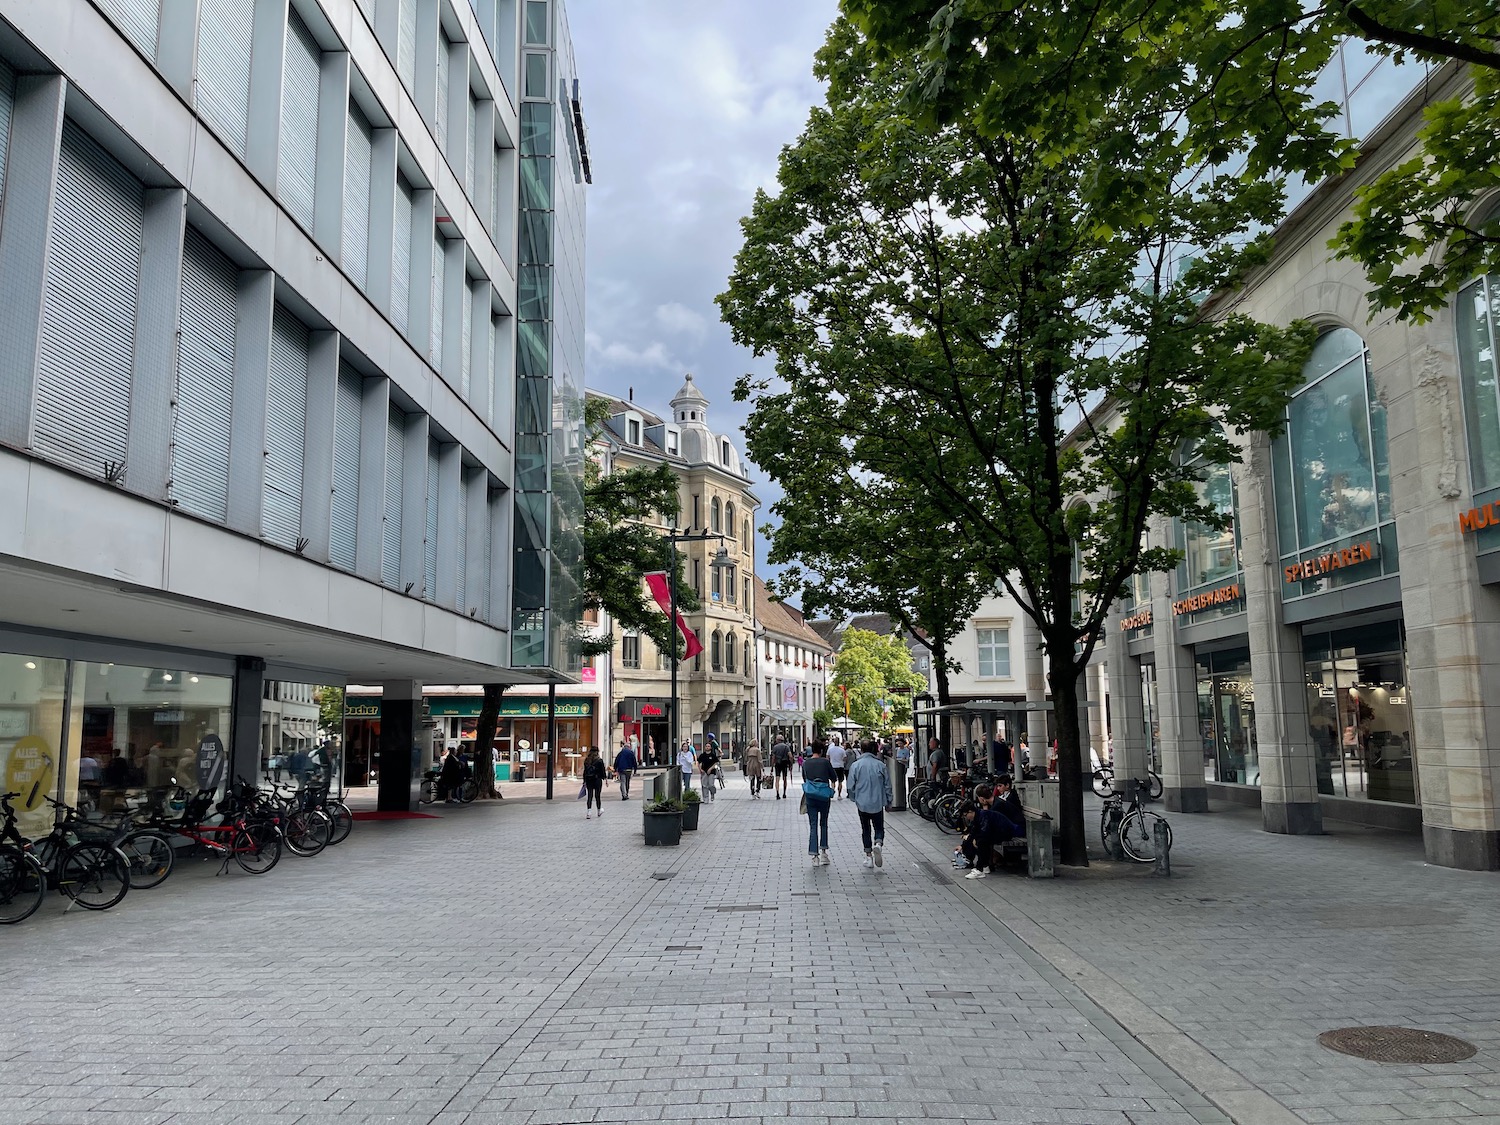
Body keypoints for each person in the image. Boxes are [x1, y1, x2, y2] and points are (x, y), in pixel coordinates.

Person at [847, 737, 893, 869]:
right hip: (878, 802)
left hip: (862, 802)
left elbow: (850, 785)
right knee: (879, 827)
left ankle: (868, 857)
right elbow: (887, 785)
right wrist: (889, 800)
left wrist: (854, 797)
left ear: (861, 750)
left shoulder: (856, 765)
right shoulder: (881, 765)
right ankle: (878, 843)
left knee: (865, 829)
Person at [801, 742, 836, 866]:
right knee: (824, 823)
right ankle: (824, 852)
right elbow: (834, 777)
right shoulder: (825, 762)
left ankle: (814, 856)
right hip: (824, 796)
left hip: (811, 796)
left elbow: (805, 778)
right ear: (821, 751)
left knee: (813, 825)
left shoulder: (806, 763)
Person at [582, 746, 607, 818]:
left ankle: (589, 812)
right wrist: (604, 778)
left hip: (589, 779)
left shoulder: (587, 760)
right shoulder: (599, 760)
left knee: (590, 796)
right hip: (597, 779)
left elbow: (585, 771)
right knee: (597, 796)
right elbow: (602, 771)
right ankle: (599, 811)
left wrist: (584, 781)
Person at [770, 735, 793, 800]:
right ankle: (784, 793)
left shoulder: (775, 747)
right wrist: (791, 764)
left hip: (778, 763)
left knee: (777, 779)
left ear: (778, 740)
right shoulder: (787, 747)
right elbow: (790, 756)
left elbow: (773, 757)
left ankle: (777, 794)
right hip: (784, 763)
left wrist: (772, 766)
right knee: (785, 778)